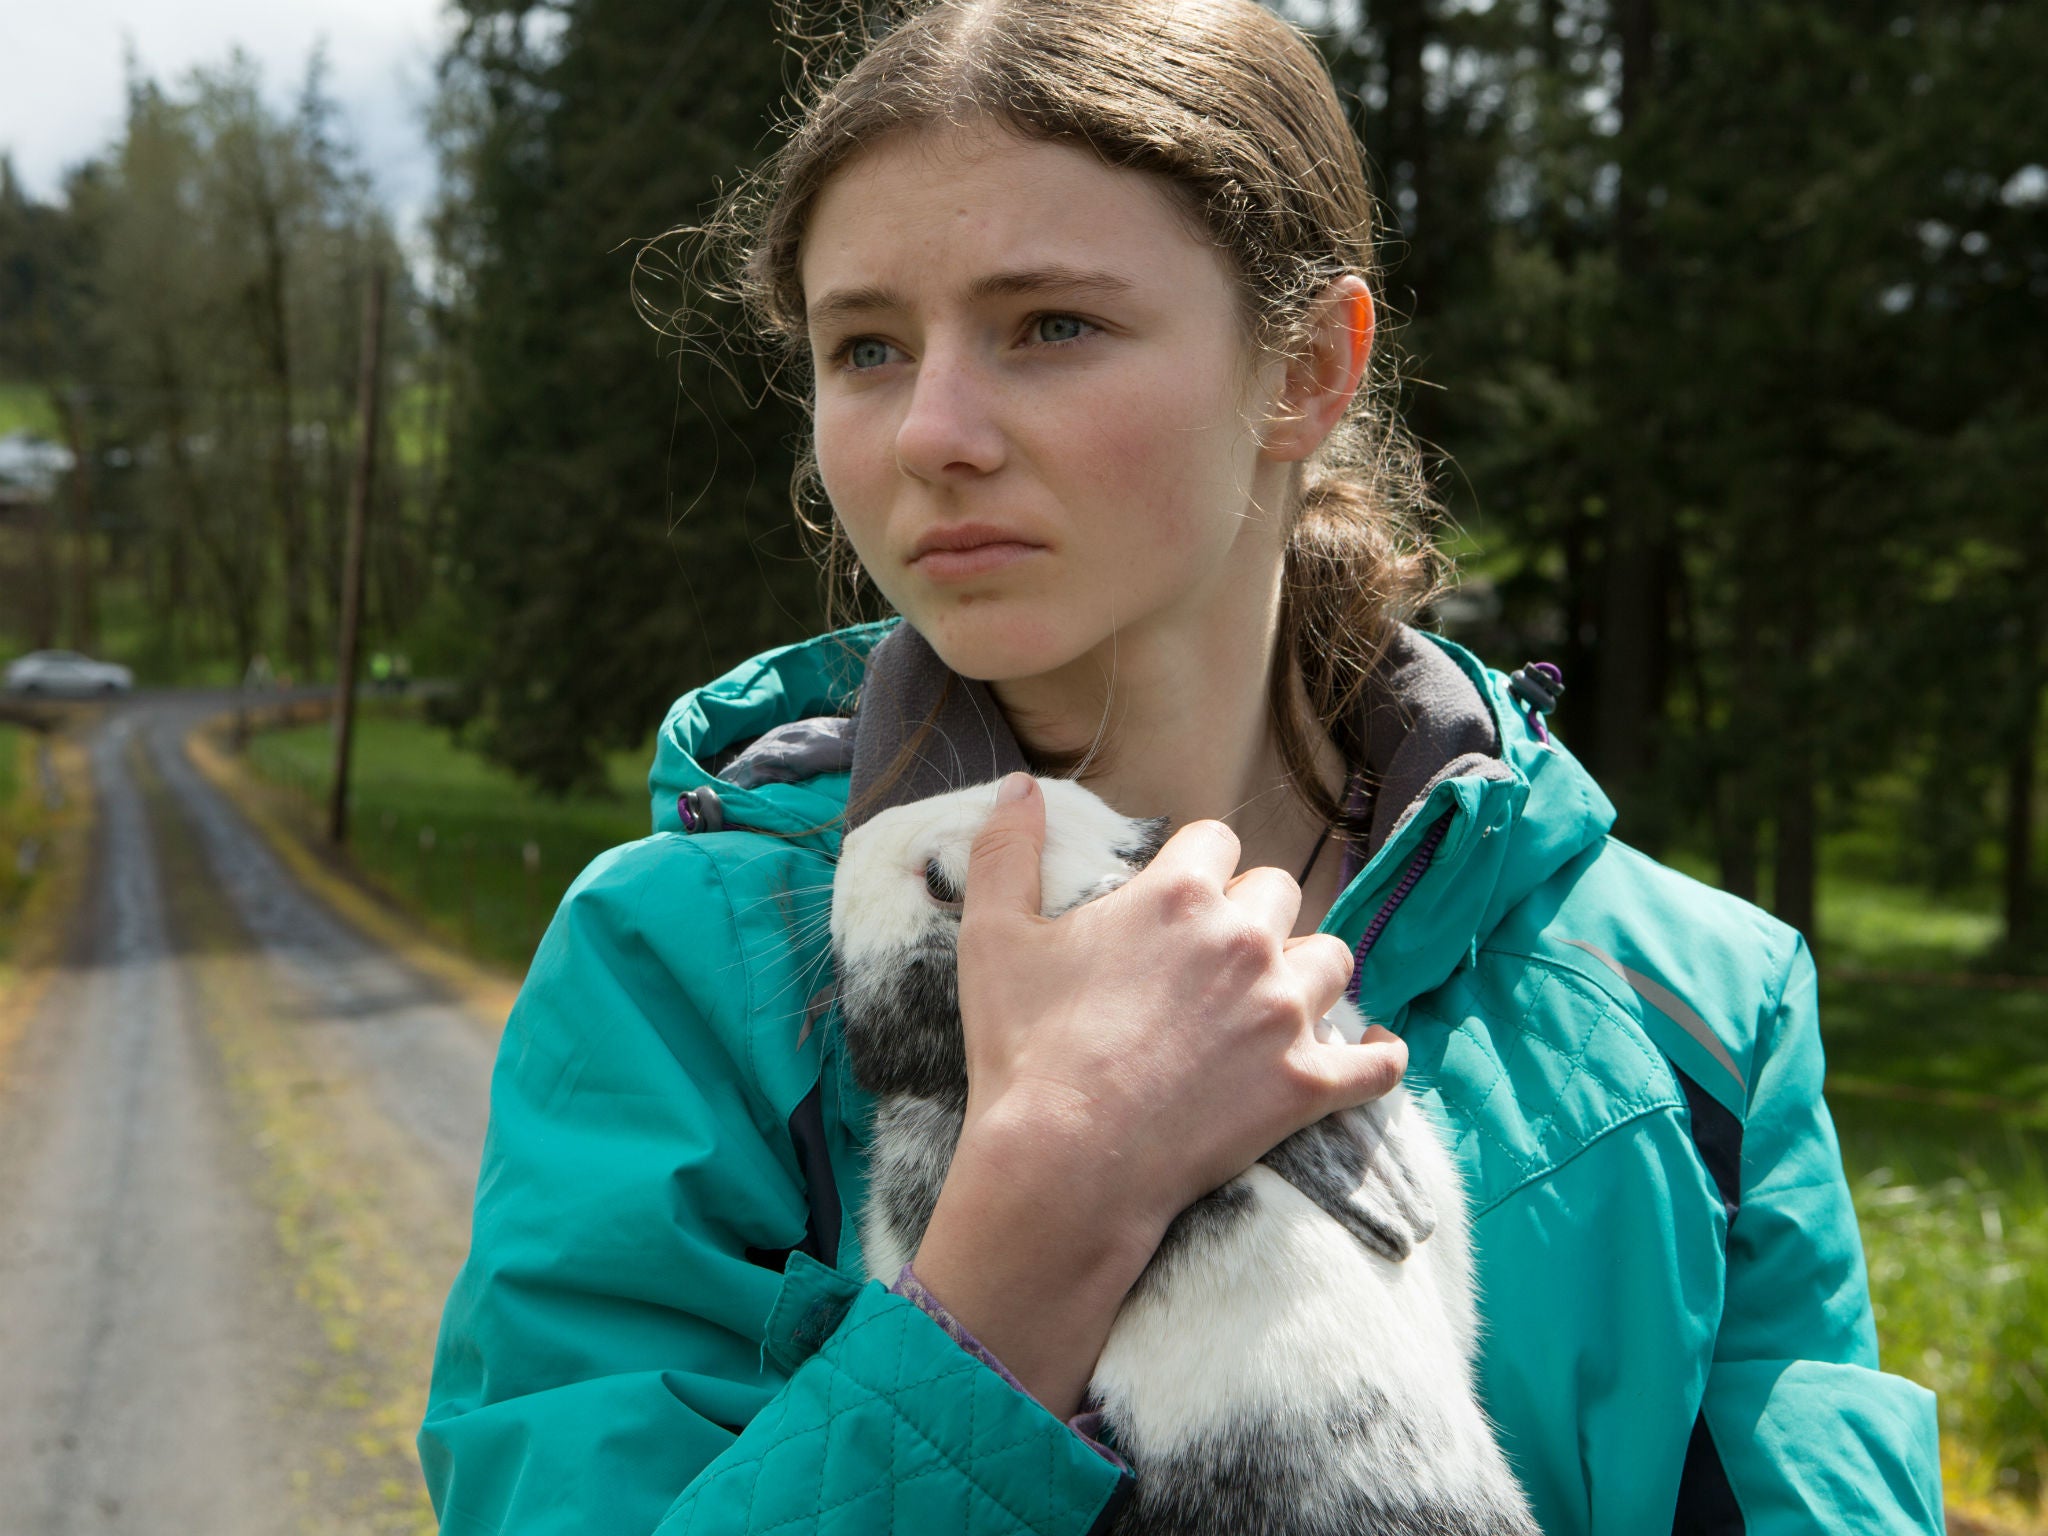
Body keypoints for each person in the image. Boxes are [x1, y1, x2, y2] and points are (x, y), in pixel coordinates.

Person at [417, 2, 1944, 1531]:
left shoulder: (1698, 1009)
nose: (933, 430)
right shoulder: (682, 967)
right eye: (866, 347)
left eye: (1051, 326)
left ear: (1305, 369)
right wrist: (1034, 1236)